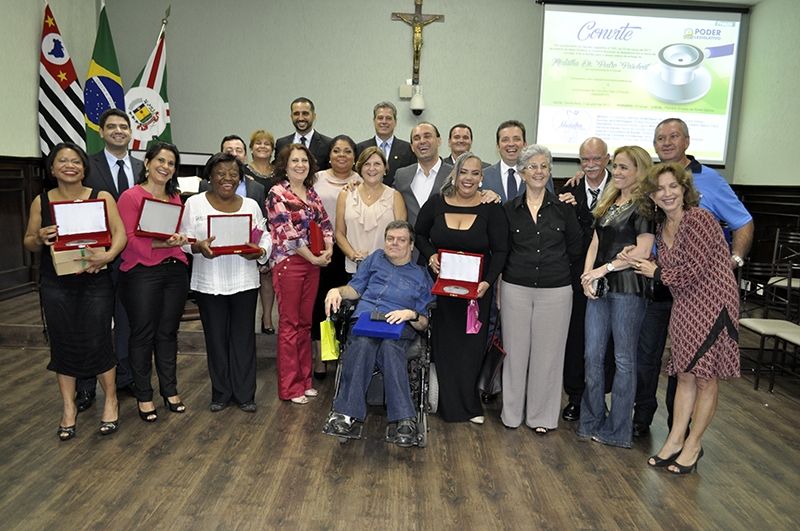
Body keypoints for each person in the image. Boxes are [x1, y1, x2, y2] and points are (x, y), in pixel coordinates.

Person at [631, 118, 753, 437]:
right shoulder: (650, 181)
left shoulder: (710, 182)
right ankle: (642, 418)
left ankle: (680, 432)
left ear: (687, 140)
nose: (667, 142)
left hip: (699, 295)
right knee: (649, 356)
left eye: (674, 136)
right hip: (660, 289)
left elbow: (743, 221)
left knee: (691, 369)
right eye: (660, 138)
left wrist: (733, 261)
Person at [628, 163, 740, 474]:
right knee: (685, 375)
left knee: (705, 377)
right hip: (684, 305)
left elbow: (693, 270)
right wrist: (637, 257)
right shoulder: (662, 228)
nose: (667, 193)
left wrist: (657, 272)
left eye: (673, 186)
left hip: (714, 304)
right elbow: (666, 264)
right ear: (651, 196)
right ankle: (676, 438)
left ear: (684, 189)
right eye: (660, 189)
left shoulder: (700, 218)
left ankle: (693, 444)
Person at [24, 142, 126, 439]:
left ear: (84, 168)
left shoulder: (101, 197)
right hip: (56, 282)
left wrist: (108, 256)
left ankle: (111, 399)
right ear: (52, 169)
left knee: (97, 339)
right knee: (62, 341)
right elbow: (29, 241)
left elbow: (119, 233)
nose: (70, 165)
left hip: (95, 278)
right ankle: (68, 407)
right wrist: (40, 236)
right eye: (62, 161)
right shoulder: (41, 201)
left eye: (76, 161)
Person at [415, 152, 509, 424]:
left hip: (477, 292)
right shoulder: (435, 203)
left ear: (481, 178)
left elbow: (501, 250)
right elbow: (419, 234)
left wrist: (487, 283)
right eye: (463, 172)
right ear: (454, 175)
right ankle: (446, 403)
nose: (468, 178)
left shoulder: (492, 208)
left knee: (470, 347)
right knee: (445, 346)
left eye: (475, 173)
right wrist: (431, 254)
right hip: (443, 291)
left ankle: (469, 405)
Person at [323, 221, 435, 446]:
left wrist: (410, 314)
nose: (394, 244)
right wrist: (336, 290)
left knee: (390, 348)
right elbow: (354, 289)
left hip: (399, 326)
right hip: (365, 320)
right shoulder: (373, 259)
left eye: (401, 240)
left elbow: (423, 323)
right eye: (390, 239)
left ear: (411, 245)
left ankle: (405, 418)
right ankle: (344, 416)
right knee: (362, 344)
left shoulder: (422, 276)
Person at [500, 145, 583, 433]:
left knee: (548, 357)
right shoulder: (508, 210)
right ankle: (511, 415)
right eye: (532, 166)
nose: (538, 171)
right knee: (514, 353)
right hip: (515, 288)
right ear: (521, 173)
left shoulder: (564, 209)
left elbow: (575, 250)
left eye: (544, 166)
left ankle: (542, 418)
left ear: (549, 172)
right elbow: (503, 251)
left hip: (556, 290)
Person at [576, 146, 654, 449]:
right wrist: (587, 275)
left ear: (640, 171)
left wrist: (603, 270)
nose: (617, 173)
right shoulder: (609, 201)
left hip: (627, 290)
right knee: (591, 357)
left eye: (624, 168)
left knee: (624, 361)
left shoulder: (645, 206)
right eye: (617, 167)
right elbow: (595, 241)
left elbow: (642, 252)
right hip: (599, 288)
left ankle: (618, 430)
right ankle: (591, 421)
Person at [180, 152, 271, 413]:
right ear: (210, 176)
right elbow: (184, 240)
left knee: (243, 339)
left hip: (244, 281)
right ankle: (220, 393)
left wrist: (260, 252)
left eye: (233, 174)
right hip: (209, 282)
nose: (227, 178)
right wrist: (197, 246)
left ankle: (245, 395)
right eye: (221, 173)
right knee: (216, 339)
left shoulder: (251, 205)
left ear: (240, 178)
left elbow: (264, 236)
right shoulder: (194, 204)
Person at [117, 141, 190, 422]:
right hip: (141, 272)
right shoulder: (131, 196)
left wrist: (179, 241)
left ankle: (170, 390)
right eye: (160, 160)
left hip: (174, 272)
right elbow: (129, 241)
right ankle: (144, 395)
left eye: (171, 163)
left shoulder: (175, 198)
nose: (165, 167)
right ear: (146, 163)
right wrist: (161, 244)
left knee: (167, 334)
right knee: (143, 334)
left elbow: (176, 235)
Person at [81, 108, 142, 410]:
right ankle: (86, 383)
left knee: (128, 321)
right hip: (96, 258)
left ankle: (124, 376)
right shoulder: (87, 166)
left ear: (131, 132)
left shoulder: (143, 166)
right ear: (101, 132)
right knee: (94, 323)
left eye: (124, 127)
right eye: (112, 127)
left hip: (133, 259)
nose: (119, 131)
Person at [267, 143, 334, 404]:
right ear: (285, 165)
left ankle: (305, 381)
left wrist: (328, 250)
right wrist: (315, 258)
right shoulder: (277, 193)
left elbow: (325, 223)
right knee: (289, 326)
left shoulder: (311, 193)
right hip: (290, 264)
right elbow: (289, 234)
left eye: (304, 161)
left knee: (305, 325)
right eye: (294, 161)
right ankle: (290, 387)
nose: (300, 165)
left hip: (313, 263)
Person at [557, 137, 613, 423]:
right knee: (576, 337)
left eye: (596, 159)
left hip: (615, 274)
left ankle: (600, 397)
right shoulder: (568, 189)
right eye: (585, 160)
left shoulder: (622, 187)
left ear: (607, 159)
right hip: (577, 275)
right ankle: (576, 397)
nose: (590, 165)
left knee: (609, 341)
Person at [310, 135, 362, 380]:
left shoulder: (362, 180)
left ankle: (344, 357)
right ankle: (321, 360)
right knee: (321, 304)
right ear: (329, 155)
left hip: (350, 249)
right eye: (337, 150)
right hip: (321, 250)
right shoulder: (316, 178)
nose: (342, 155)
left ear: (355, 156)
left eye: (348, 151)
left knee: (346, 304)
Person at [335, 147, 407, 274]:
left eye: (377, 164)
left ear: (385, 170)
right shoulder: (346, 194)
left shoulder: (395, 197)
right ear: (360, 169)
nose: (372, 168)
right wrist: (354, 255)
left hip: (388, 269)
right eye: (367, 164)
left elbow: (401, 237)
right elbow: (340, 233)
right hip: (354, 270)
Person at [247, 130, 278, 335]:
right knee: (252, 275)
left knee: (268, 275)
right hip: (251, 228)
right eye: (258, 143)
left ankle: (267, 317)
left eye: (267, 144)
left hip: (276, 227)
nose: (263, 147)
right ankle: (246, 319)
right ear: (251, 148)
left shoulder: (280, 171)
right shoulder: (242, 171)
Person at [393, 122, 453, 229]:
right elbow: (385, 198)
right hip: (410, 243)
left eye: (427, 136)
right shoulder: (401, 175)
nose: (422, 141)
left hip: (442, 243)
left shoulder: (454, 174)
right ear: (412, 147)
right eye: (416, 138)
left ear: (439, 141)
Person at [482, 120, 554, 203]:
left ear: (524, 144)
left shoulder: (541, 175)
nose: (511, 144)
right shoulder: (484, 177)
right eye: (505, 140)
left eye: (517, 139)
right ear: (498, 146)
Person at [355, 102, 416, 186]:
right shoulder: (360, 149)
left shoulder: (408, 150)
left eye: (388, 118)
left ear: (395, 121)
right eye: (380, 118)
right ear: (374, 121)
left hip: (398, 197)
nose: (384, 122)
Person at [274, 97, 332, 170]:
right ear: (291, 116)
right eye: (296, 114)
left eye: (305, 113)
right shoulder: (281, 144)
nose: (301, 118)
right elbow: (275, 170)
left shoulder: (328, 144)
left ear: (314, 116)